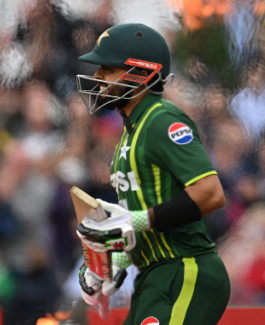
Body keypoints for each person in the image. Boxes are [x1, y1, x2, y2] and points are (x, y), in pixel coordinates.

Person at [73, 23, 230, 325]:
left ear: (140, 74)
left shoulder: (162, 118)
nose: (96, 78)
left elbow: (211, 193)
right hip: (153, 275)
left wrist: (136, 220)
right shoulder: (126, 139)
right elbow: (137, 226)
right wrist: (109, 263)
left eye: (107, 70)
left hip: (186, 268)